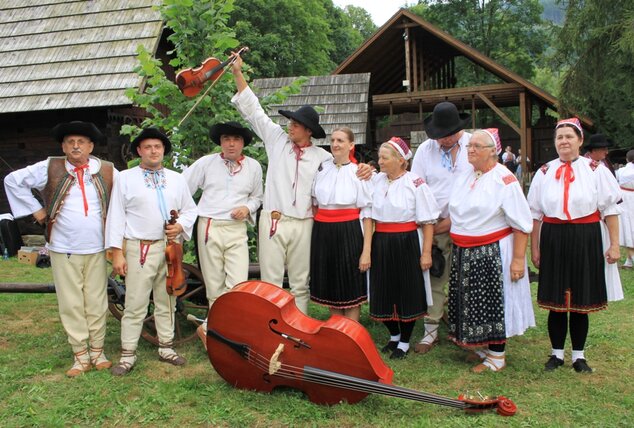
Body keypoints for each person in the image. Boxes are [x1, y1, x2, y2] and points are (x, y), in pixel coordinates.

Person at [230, 53, 371, 314]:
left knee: (299, 283)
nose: (290, 126)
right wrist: (238, 73)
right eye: (290, 122)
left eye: (296, 124)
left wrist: (364, 168)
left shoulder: (323, 158)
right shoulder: (276, 140)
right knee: (271, 282)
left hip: (305, 223)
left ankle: (299, 328)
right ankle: (270, 329)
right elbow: (254, 111)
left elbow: (346, 167)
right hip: (274, 220)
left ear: (308, 130)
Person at [4, 121, 116, 377]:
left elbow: (123, 200)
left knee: (97, 300)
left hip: (97, 248)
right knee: (71, 302)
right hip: (63, 247)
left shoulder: (108, 170)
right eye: (70, 142)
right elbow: (12, 181)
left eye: (81, 142)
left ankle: (98, 351)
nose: (76, 146)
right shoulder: (50, 166)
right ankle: (80, 355)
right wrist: (36, 210)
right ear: (64, 146)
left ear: (91, 146)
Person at [528, 118, 621, 373]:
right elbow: (535, 215)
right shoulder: (544, 172)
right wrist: (534, 249)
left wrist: (614, 245)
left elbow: (610, 209)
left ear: (580, 140)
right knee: (556, 299)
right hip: (554, 236)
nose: (564, 141)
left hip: (586, 235)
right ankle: (556, 353)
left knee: (580, 299)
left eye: (569, 136)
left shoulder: (595, 169)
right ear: (554, 142)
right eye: (560, 137)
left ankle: (579, 356)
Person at [106, 128, 197, 376]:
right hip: (140, 248)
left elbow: (190, 210)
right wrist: (117, 252)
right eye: (147, 147)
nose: (153, 151)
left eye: (157, 146)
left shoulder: (177, 179)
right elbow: (116, 216)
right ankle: (127, 354)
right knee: (135, 302)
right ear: (139, 151)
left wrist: (180, 225)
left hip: (169, 249)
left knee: (166, 299)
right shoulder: (125, 178)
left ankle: (166, 348)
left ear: (163, 150)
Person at [447, 129, 535, 373]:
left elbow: (521, 224)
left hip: (493, 252)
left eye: (477, 146)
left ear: (492, 151)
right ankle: (483, 348)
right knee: (473, 301)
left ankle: (497, 356)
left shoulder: (504, 180)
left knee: (495, 302)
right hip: (466, 251)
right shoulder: (467, 176)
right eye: (469, 146)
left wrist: (518, 260)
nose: (471, 149)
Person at [182, 121, 263, 347]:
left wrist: (247, 208)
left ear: (243, 144)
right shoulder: (206, 164)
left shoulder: (254, 167)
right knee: (214, 283)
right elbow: (182, 189)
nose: (231, 144)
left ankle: (211, 328)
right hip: (210, 226)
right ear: (220, 142)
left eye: (236, 140)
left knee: (238, 283)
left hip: (236, 229)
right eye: (226, 139)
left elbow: (257, 197)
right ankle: (219, 335)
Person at [410, 102, 472, 354]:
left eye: (445, 135)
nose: (441, 140)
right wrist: (429, 223)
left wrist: (455, 220)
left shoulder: (473, 145)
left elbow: (480, 185)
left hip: (469, 225)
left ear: (458, 130)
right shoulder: (426, 150)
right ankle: (431, 331)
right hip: (434, 225)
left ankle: (466, 330)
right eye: (437, 135)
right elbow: (417, 186)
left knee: (466, 279)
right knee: (436, 274)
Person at [370, 137, 440, 359]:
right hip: (381, 240)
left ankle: (405, 341)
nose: (379, 161)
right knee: (383, 288)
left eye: (384, 157)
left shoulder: (416, 183)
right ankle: (393, 335)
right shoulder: (376, 181)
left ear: (401, 160)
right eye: (379, 156)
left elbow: (428, 221)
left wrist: (426, 252)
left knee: (406, 290)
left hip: (408, 241)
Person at [310, 127, 373, 322]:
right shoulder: (322, 169)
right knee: (331, 285)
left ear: (351, 145)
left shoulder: (359, 173)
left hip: (349, 231)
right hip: (323, 232)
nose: (335, 144)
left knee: (350, 284)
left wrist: (366, 251)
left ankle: (351, 334)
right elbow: (314, 203)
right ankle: (336, 332)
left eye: (341, 141)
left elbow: (368, 215)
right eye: (333, 140)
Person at [618, 149, 634, 270]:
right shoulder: (622, 171)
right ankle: (630, 259)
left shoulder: (621, 171)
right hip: (627, 199)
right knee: (629, 227)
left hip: (624, 200)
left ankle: (631, 258)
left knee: (628, 227)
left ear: (627, 159)